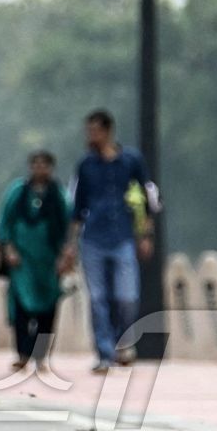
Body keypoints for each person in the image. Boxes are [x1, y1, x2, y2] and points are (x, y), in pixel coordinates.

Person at [63, 109, 153, 373]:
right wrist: (70, 245)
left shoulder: (131, 161)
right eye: (88, 131)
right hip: (93, 239)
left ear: (107, 131)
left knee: (127, 296)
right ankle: (104, 353)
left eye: (94, 131)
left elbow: (148, 197)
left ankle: (122, 341)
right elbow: (77, 208)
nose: (90, 136)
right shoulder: (85, 165)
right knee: (99, 298)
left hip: (123, 235)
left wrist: (146, 234)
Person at [0, 150, 72, 370]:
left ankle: (40, 355)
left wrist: (66, 255)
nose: (40, 169)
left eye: (44, 165)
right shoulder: (18, 192)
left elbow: (68, 227)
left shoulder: (58, 195)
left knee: (47, 310)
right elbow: (5, 222)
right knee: (21, 307)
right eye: (36, 164)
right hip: (22, 262)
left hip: (49, 262)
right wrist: (8, 248)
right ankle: (22, 353)